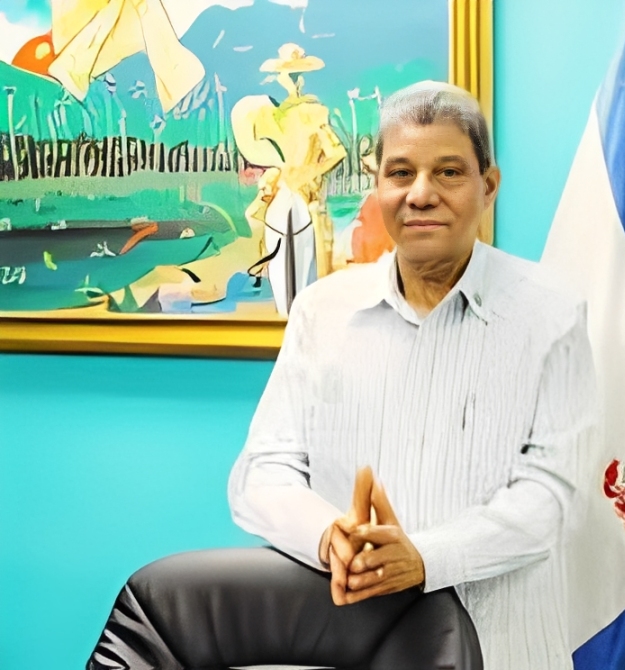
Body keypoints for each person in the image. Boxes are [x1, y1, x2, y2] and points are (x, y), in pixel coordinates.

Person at [88, 81, 597, 670]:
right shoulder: (322, 310)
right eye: (401, 172)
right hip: (351, 646)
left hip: (508, 647)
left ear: (489, 186)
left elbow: (554, 496)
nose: (421, 194)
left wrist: (424, 557)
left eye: (449, 172)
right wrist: (331, 535)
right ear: (376, 184)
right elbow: (262, 473)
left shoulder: (551, 314)